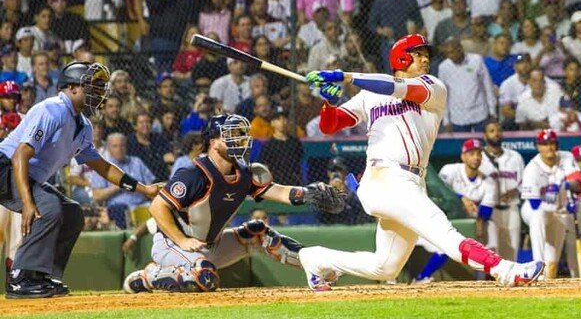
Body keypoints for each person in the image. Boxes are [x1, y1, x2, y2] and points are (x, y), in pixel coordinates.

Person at [298, 34, 544, 291]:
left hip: (412, 181)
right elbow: (330, 125)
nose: (425, 59)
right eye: (418, 54)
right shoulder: (368, 95)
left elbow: (397, 87)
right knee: (445, 234)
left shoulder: (433, 87)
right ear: (402, 57)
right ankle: (506, 271)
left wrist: (346, 76)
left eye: (426, 54)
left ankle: (316, 259)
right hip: (384, 179)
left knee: (386, 267)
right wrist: (329, 103)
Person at [123, 114, 343, 293]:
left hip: (211, 246)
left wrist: (308, 193)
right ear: (213, 141)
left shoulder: (246, 173)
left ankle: (315, 266)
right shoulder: (193, 173)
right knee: (205, 278)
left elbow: (279, 192)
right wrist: (182, 240)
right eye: (230, 135)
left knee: (258, 232)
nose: (239, 140)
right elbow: (157, 207)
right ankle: (148, 277)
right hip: (173, 246)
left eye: (240, 135)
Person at [0, 62, 160, 298]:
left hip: (26, 175)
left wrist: (143, 188)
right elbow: (20, 155)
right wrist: (28, 203)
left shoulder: (83, 125)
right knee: (49, 208)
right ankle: (19, 278)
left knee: (72, 213)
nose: (98, 93)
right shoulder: (52, 109)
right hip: (6, 167)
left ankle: (44, 275)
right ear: (72, 87)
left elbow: (102, 166)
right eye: (92, 87)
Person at [413, 139, 498, 283]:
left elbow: (486, 211)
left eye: (478, 154)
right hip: (443, 216)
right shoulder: (450, 170)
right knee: (445, 246)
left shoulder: (487, 181)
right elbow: (439, 193)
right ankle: (421, 277)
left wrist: (479, 224)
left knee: (492, 239)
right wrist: (461, 198)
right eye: (471, 153)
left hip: (471, 219)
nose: (476, 157)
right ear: (463, 156)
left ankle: (487, 281)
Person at [520, 129, 581, 279]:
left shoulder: (566, 157)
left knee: (553, 257)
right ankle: (537, 265)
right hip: (533, 209)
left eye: (552, 143)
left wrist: (564, 186)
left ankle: (548, 281)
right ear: (538, 147)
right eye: (545, 144)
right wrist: (552, 203)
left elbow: (578, 185)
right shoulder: (532, 169)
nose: (549, 147)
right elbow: (534, 204)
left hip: (558, 210)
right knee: (539, 216)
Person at [477, 120, 525, 261]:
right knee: (491, 252)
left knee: (512, 251)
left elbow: (524, 182)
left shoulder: (515, 157)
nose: (496, 134)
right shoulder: (479, 158)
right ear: (485, 135)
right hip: (490, 212)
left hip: (511, 208)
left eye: (498, 130)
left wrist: (515, 191)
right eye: (492, 131)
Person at [89, 133, 156, 229]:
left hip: (142, 205)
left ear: (126, 147)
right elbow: (96, 196)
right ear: (108, 149)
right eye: (115, 146)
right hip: (118, 209)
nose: (119, 149)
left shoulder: (136, 162)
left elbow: (150, 186)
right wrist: (118, 186)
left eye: (122, 145)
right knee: (119, 210)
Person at [438, 39, 496, 133]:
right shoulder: (443, 67)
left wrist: (492, 111)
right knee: (461, 147)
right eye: (448, 54)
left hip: (480, 113)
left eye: (453, 52)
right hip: (458, 117)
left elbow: (487, 86)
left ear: (460, 49)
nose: (451, 56)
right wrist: (446, 120)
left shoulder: (476, 60)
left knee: (482, 146)